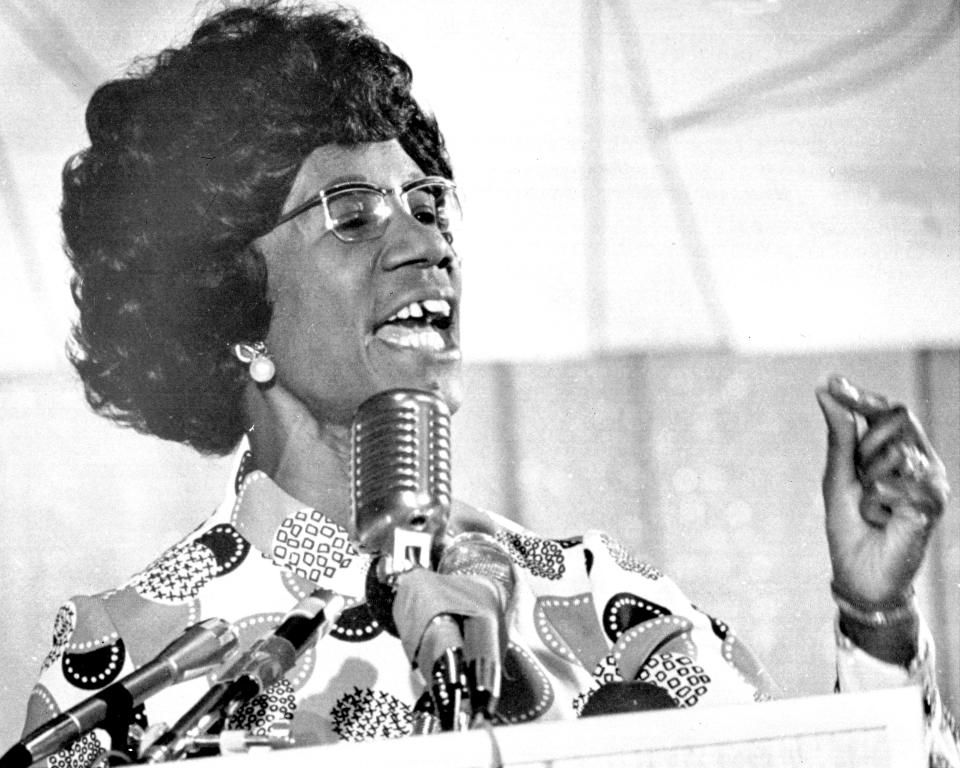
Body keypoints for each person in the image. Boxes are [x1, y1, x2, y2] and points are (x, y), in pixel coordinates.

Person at [17, 2, 958, 764]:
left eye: (429, 203)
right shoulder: (129, 665)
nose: (427, 240)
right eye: (352, 213)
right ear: (225, 302)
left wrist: (875, 621)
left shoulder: (604, 606)